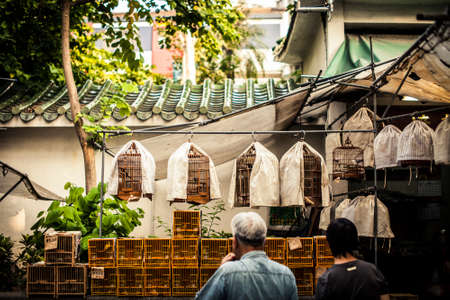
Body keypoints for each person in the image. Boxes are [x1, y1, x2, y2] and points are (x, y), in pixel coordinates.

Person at [195, 212, 298, 300]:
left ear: (234, 242)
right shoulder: (286, 274)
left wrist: (221, 269)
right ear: (264, 242)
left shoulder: (227, 272)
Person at [315, 218, 389, 300]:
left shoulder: (326, 280)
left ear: (329, 242)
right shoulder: (373, 271)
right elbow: (385, 297)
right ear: (355, 239)